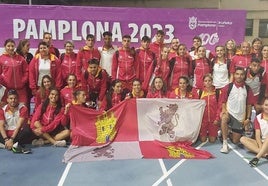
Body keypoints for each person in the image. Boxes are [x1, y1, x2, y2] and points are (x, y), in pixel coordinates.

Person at [219, 67, 255, 153]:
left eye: (242, 74)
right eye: (237, 74)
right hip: (229, 114)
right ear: (234, 75)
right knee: (224, 118)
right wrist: (224, 111)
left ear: (244, 76)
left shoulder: (248, 89)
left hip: (239, 118)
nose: (239, 76)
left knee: (235, 141)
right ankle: (225, 144)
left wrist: (248, 118)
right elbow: (223, 101)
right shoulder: (228, 87)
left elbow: (249, 105)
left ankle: (227, 132)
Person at [240, 97, 268, 167]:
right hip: (262, 143)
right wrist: (261, 148)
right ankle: (265, 154)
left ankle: (257, 158)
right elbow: (258, 136)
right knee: (242, 139)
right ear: (262, 105)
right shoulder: (258, 118)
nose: (267, 107)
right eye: (266, 105)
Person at [193, 74, 220, 143]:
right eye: (205, 81)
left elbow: (220, 107)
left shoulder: (217, 92)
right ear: (203, 82)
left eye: (209, 81)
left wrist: (217, 119)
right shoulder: (200, 93)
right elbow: (196, 107)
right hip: (203, 121)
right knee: (203, 140)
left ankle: (215, 133)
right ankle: (204, 133)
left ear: (212, 81)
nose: (207, 82)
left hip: (213, 121)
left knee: (212, 141)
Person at [0, 39, 29, 105]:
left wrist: (23, 81)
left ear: (15, 47)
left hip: (21, 90)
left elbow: (26, 71)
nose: (10, 48)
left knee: (22, 110)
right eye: (8, 46)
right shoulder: (1, 59)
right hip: (6, 91)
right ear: (5, 47)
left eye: (12, 46)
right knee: (5, 112)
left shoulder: (21, 59)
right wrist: (3, 82)